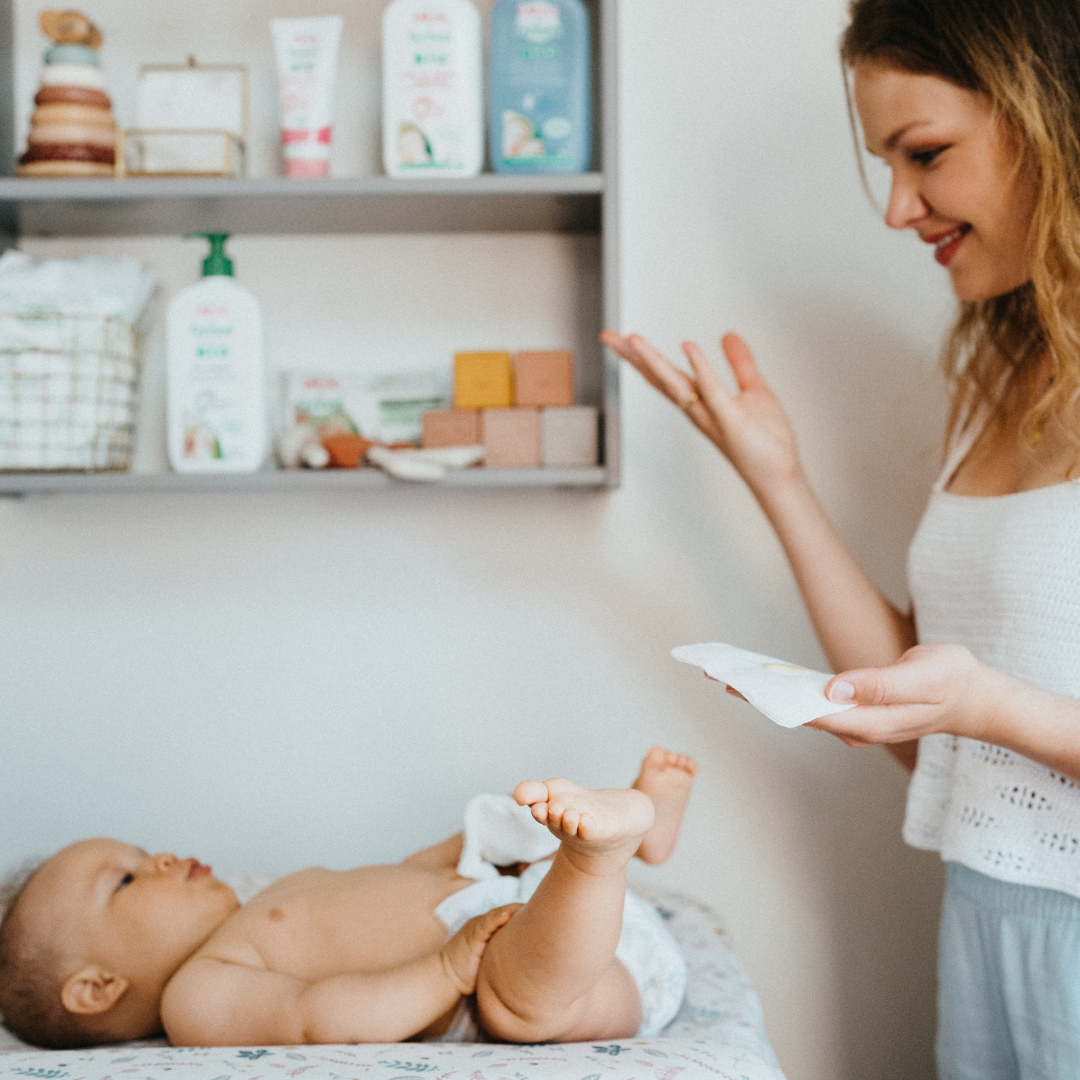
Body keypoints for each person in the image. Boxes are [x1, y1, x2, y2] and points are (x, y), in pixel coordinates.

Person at [602, 1, 1080, 1077]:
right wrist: (774, 480)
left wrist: (986, 705)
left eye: (927, 155)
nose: (899, 206)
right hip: (984, 916)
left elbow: (968, 705)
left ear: (1054, 119)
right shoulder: (1001, 376)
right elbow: (923, 718)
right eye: (888, 163)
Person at [0, 748, 695, 1051]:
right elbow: (314, 1019)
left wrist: (467, 844)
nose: (159, 858)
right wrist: (445, 973)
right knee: (521, 1005)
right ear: (96, 987)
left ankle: (629, 842)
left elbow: (396, 877)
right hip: (532, 974)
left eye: (139, 848)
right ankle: (601, 857)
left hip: (515, 909)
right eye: (125, 879)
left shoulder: (259, 907)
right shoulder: (196, 998)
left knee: (523, 850)